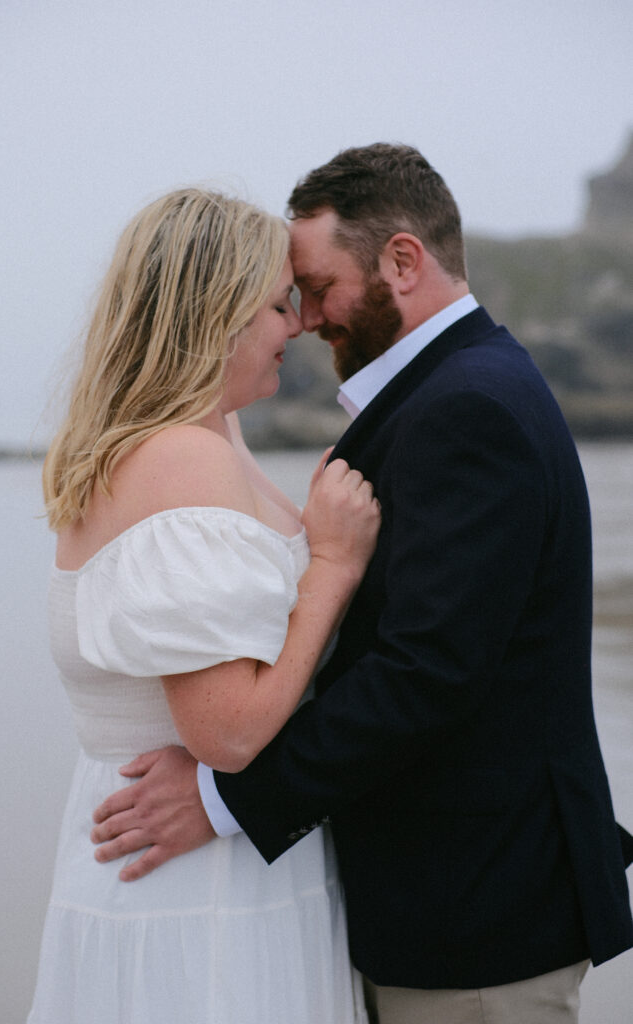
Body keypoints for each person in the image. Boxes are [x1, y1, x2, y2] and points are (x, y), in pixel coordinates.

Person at [90, 147, 633, 1024]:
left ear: (402, 262)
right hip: (444, 903)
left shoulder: (465, 408)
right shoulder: (454, 389)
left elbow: (426, 671)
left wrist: (224, 801)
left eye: (316, 287)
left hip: (474, 918)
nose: (304, 319)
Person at [27, 187, 381, 1024]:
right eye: (277, 304)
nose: (296, 324)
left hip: (172, 854)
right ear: (216, 315)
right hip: (198, 878)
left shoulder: (194, 437)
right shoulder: (184, 458)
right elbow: (227, 732)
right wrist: (332, 565)